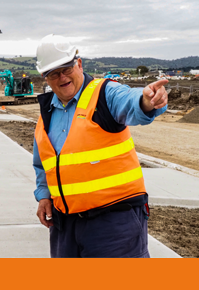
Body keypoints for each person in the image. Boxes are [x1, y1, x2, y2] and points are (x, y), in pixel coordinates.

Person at [31, 35, 167, 258]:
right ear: (45, 77)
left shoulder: (104, 94)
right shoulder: (45, 113)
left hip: (114, 223)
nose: (62, 77)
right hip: (65, 224)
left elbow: (130, 102)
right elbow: (43, 164)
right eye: (53, 73)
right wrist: (44, 195)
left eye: (66, 68)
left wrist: (147, 102)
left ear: (79, 63)